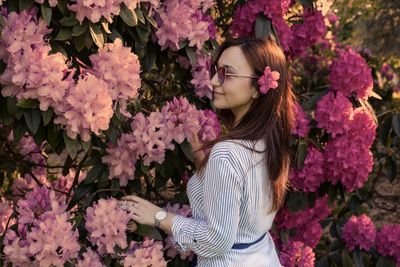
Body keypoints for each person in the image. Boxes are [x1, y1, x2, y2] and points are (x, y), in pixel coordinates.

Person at [118, 37, 296, 267]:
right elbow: (245, 208)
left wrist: (158, 216)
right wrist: (204, 164)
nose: (213, 81)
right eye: (216, 70)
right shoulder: (270, 141)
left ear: (257, 88)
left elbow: (217, 239)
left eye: (226, 74)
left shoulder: (227, 154)